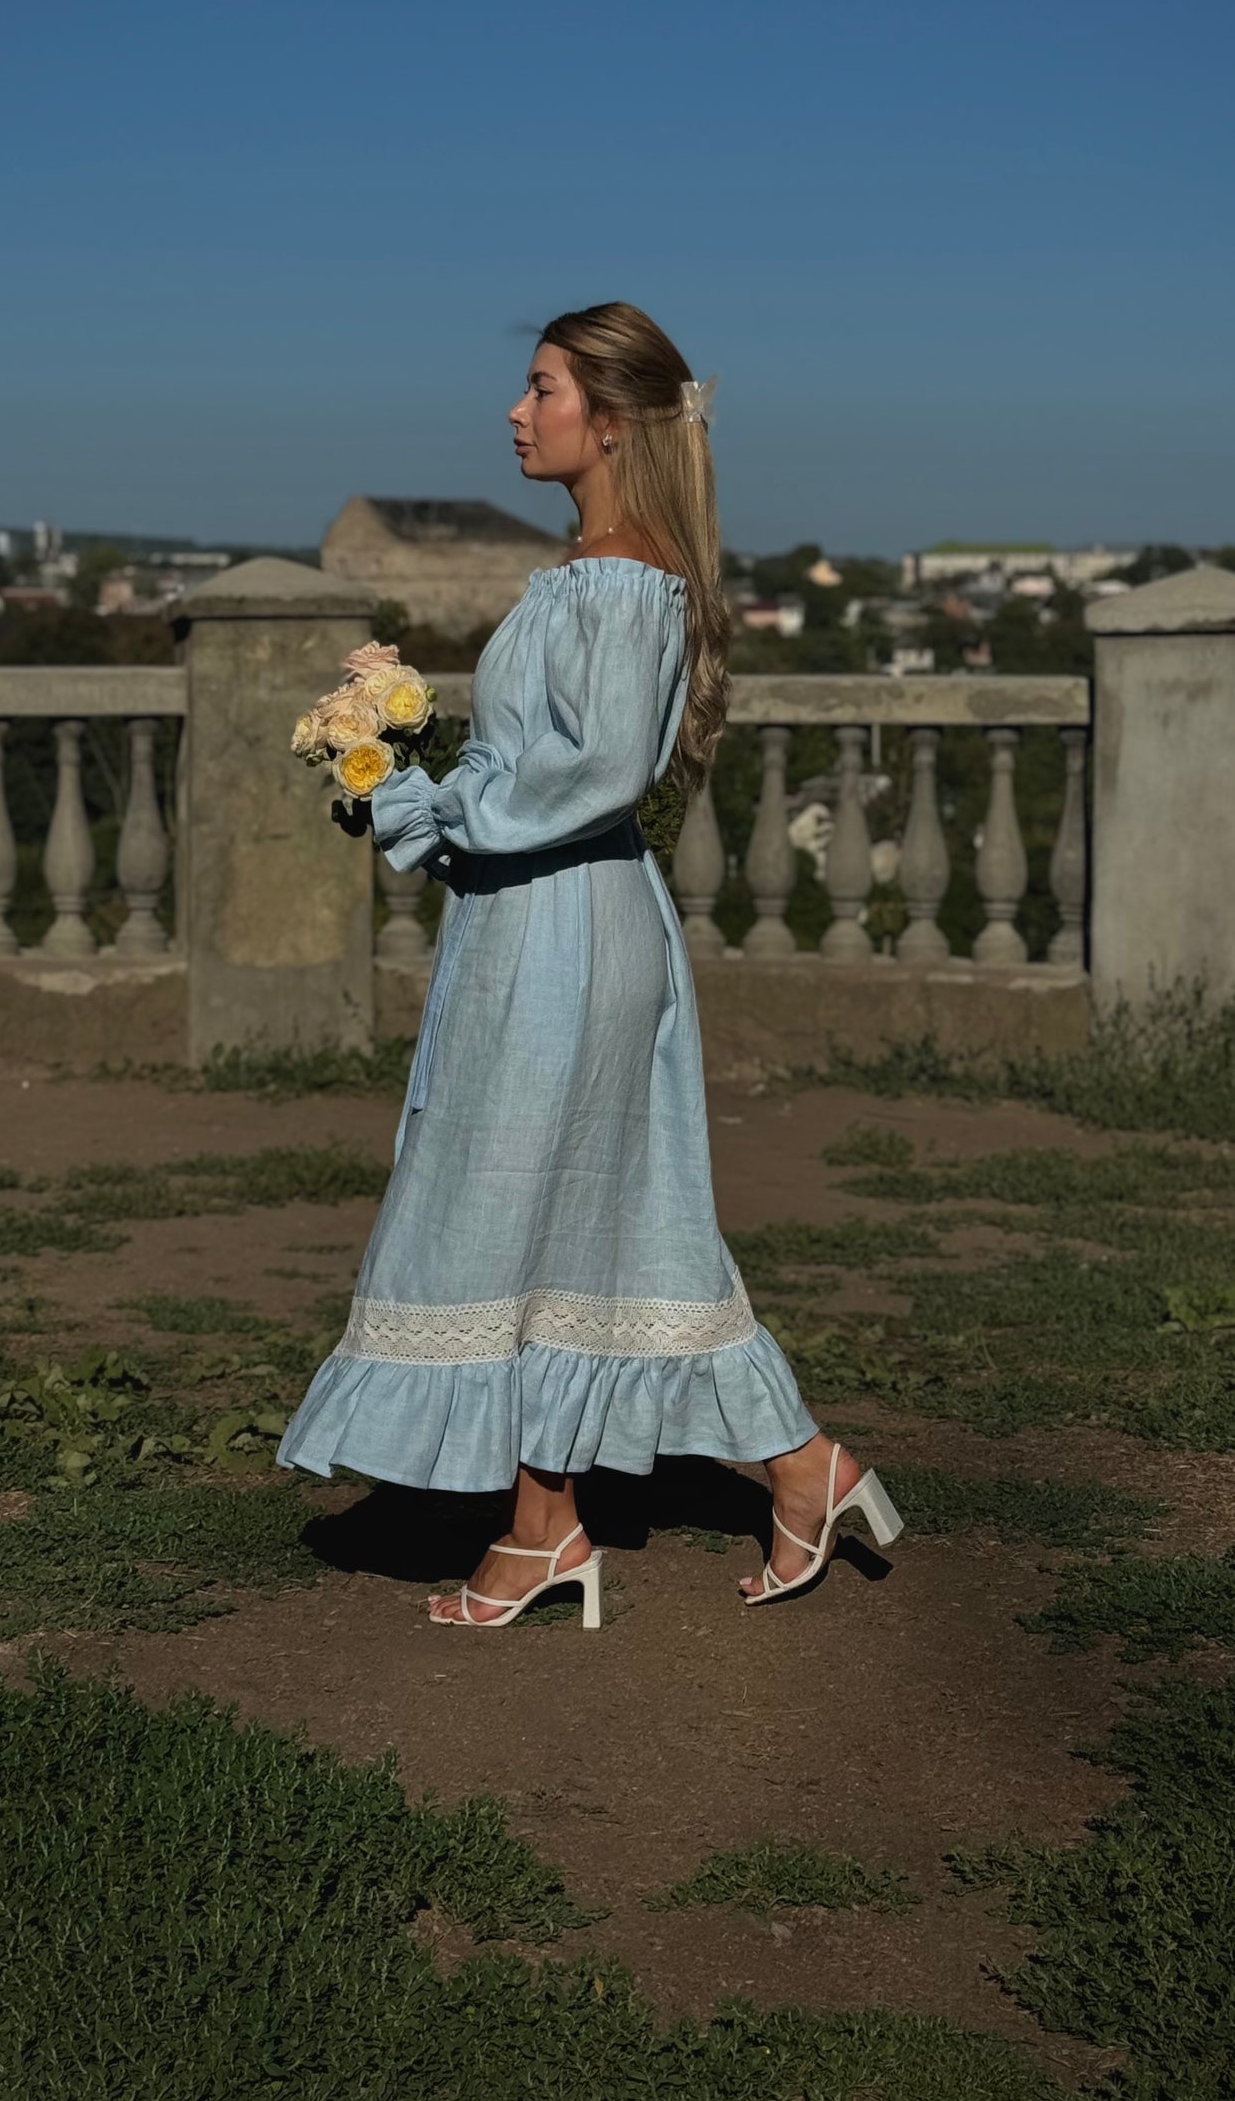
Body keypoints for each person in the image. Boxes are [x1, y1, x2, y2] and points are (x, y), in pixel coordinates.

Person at [278, 301, 903, 1624]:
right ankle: (626, 1506)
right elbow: (541, 773)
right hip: (538, 920)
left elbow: (600, 771)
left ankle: (666, 1494)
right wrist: (408, 792)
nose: (515, 411)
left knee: (542, 1213)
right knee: (566, 1224)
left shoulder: (623, 579)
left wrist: (428, 804)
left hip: (566, 934)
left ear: (607, 420)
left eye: (540, 387)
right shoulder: (589, 571)